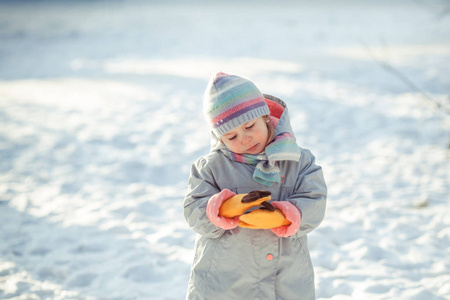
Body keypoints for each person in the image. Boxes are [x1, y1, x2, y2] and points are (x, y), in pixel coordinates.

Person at [183, 71, 327, 300]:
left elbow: (315, 199)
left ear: (265, 118)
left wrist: (283, 217)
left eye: (250, 126)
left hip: (286, 280)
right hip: (225, 283)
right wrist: (225, 208)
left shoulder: (298, 161)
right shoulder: (210, 168)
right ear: (220, 138)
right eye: (231, 136)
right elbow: (193, 210)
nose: (244, 139)